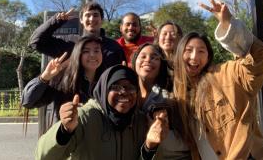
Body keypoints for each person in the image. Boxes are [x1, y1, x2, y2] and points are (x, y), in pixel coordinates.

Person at [173, 0, 263, 159]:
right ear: (179, 55)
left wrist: (228, 23)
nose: (194, 57)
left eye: (201, 51)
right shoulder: (177, 92)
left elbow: (257, 61)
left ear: (208, 57)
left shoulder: (225, 74)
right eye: (188, 50)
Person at [35, 65, 169, 160]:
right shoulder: (84, 117)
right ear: (103, 90)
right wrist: (64, 131)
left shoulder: (141, 122)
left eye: (131, 87)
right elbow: (43, 157)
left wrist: (150, 146)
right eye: (115, 86)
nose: (124, 92)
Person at [21, 35, 103, 122]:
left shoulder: (108, 80)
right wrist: (44, 77)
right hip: (68, 133)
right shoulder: (63, 80)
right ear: (77, 54)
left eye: (97, 50)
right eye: (86, 51)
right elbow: (27, 102)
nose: (93, 55)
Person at [132, 43, 192, 159]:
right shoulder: (125, 93)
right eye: (143, 56)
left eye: (154, 57)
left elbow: (185, 143)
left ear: (161, 65)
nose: (148, 60)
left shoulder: (170, 98)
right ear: (135, 61)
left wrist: (161, 133)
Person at [29, 2, 125, 70]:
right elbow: (35, 42)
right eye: (87, 15)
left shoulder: (114, 47)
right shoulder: (69, 41)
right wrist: (56, 21)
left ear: (102, 19)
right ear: (81, 20)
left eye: (96, 15)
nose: (91, 19)